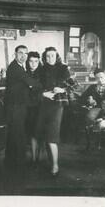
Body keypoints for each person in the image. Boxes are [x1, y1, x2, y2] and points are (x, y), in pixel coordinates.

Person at [36, 47, 71, 176]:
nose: (50, 58)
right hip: (43, 104)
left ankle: (55, 165)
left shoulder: (63, 68)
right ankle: (48, 161)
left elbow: (73, 85)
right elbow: (35, 87)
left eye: (53, 55)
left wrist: (62, 90)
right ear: (45, 57)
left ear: (57, 57)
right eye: (48, 56)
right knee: (43, 134)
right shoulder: (41, 69)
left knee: (52, 135)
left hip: (57, 105)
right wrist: (43, 94)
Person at [4, 45, 40, 171]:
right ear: (15, 54)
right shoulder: (16, 68)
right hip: (15, 107)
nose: (23, 56)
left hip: (16, 106)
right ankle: (19, 167)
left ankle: (11, 164)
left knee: (14, 136)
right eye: (20, 53)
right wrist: (44, 85)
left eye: (25, 53)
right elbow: (31, 83)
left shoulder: (19, 67)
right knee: (19, 136)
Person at [80, 69, 105, 138]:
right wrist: (89, 100)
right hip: (97, 108)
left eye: (101, 77)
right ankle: (94, 138)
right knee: (89, 117)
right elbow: (82, 98)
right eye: (97, 78)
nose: (100, 80)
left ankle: (103, 122)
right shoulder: (92, 87)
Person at [25, 51, 43, 165]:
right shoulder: (25, 73)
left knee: (40, 132)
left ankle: (39, 156)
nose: (33, 64)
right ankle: (33, 157)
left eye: (36, 61)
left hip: (41, 106)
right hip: (29, 107)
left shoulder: (42, 74)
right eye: (31, 61)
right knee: (31, 132)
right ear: (28, 62)